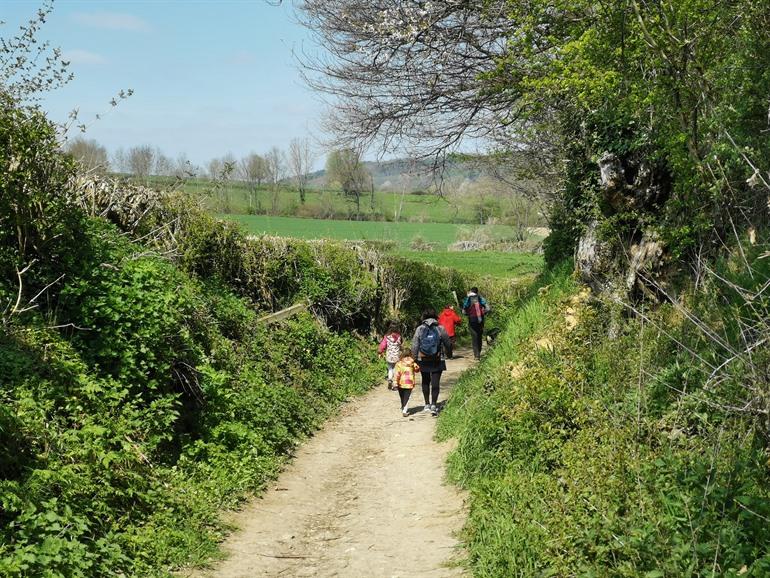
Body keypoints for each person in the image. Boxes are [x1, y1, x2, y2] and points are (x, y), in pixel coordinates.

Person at [411, 308, 451, 416]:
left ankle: (426, 404)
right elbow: (447, 342)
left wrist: (414, 358)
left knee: (425, 381)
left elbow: (415, 345)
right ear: (435, 317)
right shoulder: (440, 328)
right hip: (438, 359)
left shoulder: (419, 329)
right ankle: (434, 404)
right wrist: (449, 354)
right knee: (435, 382)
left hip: (423, 359)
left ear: (423, 317)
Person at [462, 287, 488, 360]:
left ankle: (476, 356)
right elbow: (488, 309)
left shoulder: (468, 299)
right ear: (477, 292)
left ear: (471, 291)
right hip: (480, 320)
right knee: (479, 336)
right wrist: (483, 313)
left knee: (474, 337)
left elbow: (463, 311)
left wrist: (468, 314)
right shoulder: (480, 298)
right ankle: (479, 353)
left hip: (472, 321)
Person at [394, 349, 420, 417]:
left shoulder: (399, 363)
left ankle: (404, 408)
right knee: (407, 397)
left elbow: (397, 374)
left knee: (402, 396)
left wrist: (395, 383)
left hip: (401, 382)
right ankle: (404, 409)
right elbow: (417, 369)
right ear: (410, 354)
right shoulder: (412, 362)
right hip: (409, 383)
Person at [378, 322, 402, 389]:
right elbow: (401, 346)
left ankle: (390, 379)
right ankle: (394, 384)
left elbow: (383, 345)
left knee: (390, 369)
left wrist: (380, 352)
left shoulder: (387, 337)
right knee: (395, 369)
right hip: (396, 356)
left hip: (389, 356)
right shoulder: (399, 337)